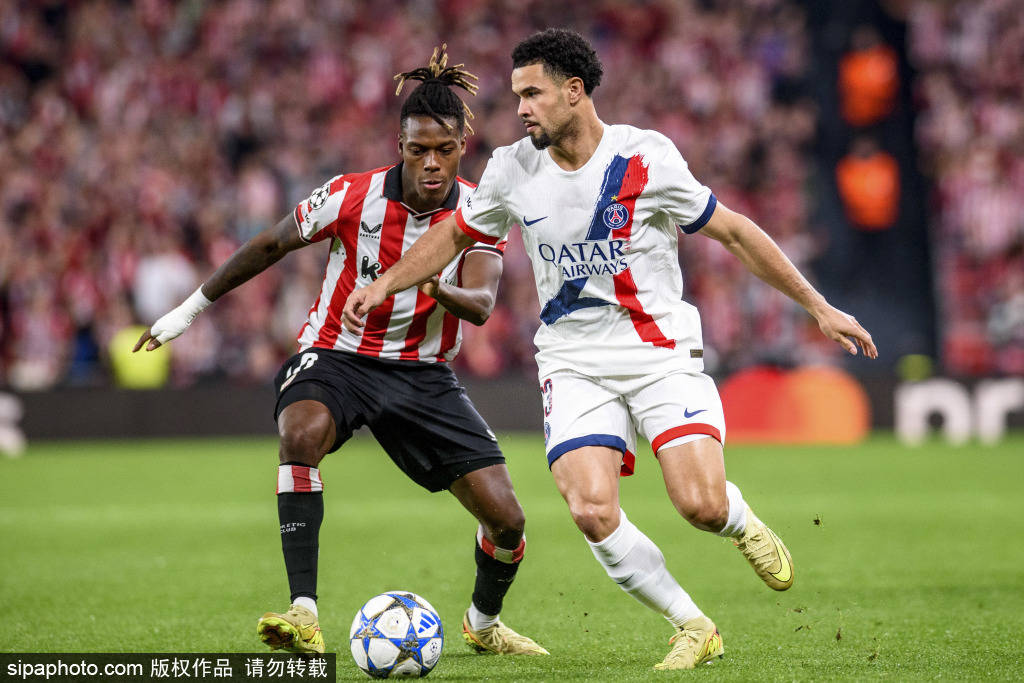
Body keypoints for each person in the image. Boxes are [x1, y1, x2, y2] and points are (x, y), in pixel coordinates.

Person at [343, 29, 878, 670]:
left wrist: (818, 307)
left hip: (658, 352)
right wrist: (386, 282)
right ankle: (692, 625)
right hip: (573, 362)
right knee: (592, 510)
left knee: (700, 505)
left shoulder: (645, 158)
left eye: (533, 94)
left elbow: (734, 232)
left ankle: (737, 519)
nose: (520, 109)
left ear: (574, 91)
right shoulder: (512, 168)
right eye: (517, 96)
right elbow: (454, 237)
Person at [134, 46, 547, 658]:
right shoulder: (352, 196)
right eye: (418, 150)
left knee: (508, 521)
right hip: (338, 357)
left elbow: (482, 303)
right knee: (300, 433)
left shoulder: (479, 209)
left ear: (464, 145)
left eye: (445, 149)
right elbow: (272, 244)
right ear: (399, 145)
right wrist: (189, 309)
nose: (432, 163)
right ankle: (303, 611)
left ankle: (483, 624)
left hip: (423, 374)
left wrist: (434, 284)